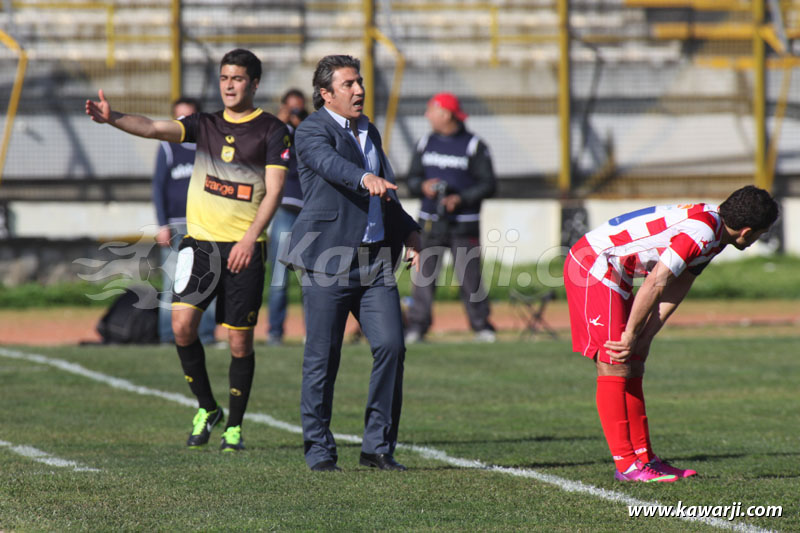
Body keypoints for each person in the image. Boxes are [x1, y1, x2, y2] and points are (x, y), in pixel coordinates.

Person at [86, 48, 289, 452]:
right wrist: (114, 118)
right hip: (199, 245)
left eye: (237, 78)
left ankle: (234, 426)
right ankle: (206, 408)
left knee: (239, 343)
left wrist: (250, 239)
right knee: (181, 327)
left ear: (254, 84)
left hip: (244, 250)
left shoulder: (272, 129)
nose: (229, 85)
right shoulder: (206, 124)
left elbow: (276, 191)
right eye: (224, 78)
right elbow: (154, 128)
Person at [563, 186, 778, 482]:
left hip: (617, 269)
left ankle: (644, 458)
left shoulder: (715, 233)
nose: (756, 242)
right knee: (614, 359)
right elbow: (656, 282)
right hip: (594, 262)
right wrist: (629, 335)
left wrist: (646, 335)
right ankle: (627, 464)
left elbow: (679, 284)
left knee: (634, 359)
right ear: (746, 231)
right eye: (760, 235)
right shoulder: (702, 233)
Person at [281, 54, 421, 472]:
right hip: (326, 260)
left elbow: (387, 191)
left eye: (359, 82)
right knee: (323, 358)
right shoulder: (310, 130)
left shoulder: (370, 129)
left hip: (375, 262)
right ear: (326, 94)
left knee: (392, 347)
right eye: (348, 84)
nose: (359, 90)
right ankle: (320, 452)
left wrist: (411, 231)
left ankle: (377, 447)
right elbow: (331, 165)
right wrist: (364, 178)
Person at [404, 92, 497, 344]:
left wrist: (460, 199)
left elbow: (488, 184)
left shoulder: (474, 145)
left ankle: (482, 326)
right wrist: (422, 186)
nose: (427, 115)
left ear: (446, 114)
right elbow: (410, 179)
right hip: (430, 222)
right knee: (423, 278)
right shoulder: (425, 143)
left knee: (470, 278)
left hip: (463, 223)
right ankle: (416, 327)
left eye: (431, 110)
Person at [152, 96, 217, 345]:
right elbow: (158, 187)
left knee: (208, 282)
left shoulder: (209, 147)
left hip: (205, 225)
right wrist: (162, 224)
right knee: (172, 283)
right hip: (176, 225)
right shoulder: (168, 146)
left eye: (187, 118)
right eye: (177, 117)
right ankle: (168, 336)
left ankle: (207, 335)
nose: (181, 122)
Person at [265, 88, 307, 346]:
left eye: (299, 110)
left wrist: (301, 125)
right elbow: (265, 145)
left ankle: (312, 332)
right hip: (285, 210)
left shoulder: (309, 133)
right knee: (279, 278)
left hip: (308, 213)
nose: (294, 115)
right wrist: (281, 122)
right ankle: (274, 333)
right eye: (290, 109)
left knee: (309, 279)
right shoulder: (277, 132)